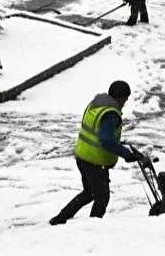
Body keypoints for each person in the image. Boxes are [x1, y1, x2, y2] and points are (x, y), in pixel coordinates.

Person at [49, 80, 139, 225]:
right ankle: (93, 227)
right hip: (95, 162)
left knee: (89, 193)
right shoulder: (111, 114)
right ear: (118, 97)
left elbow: (97, 133)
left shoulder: (97, 105)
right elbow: (105, 139)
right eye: (125, 97)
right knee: (102, 197)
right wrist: (126, 154)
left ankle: (60, 218)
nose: (126, 101)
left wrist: (118, 145)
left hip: (83, 157)